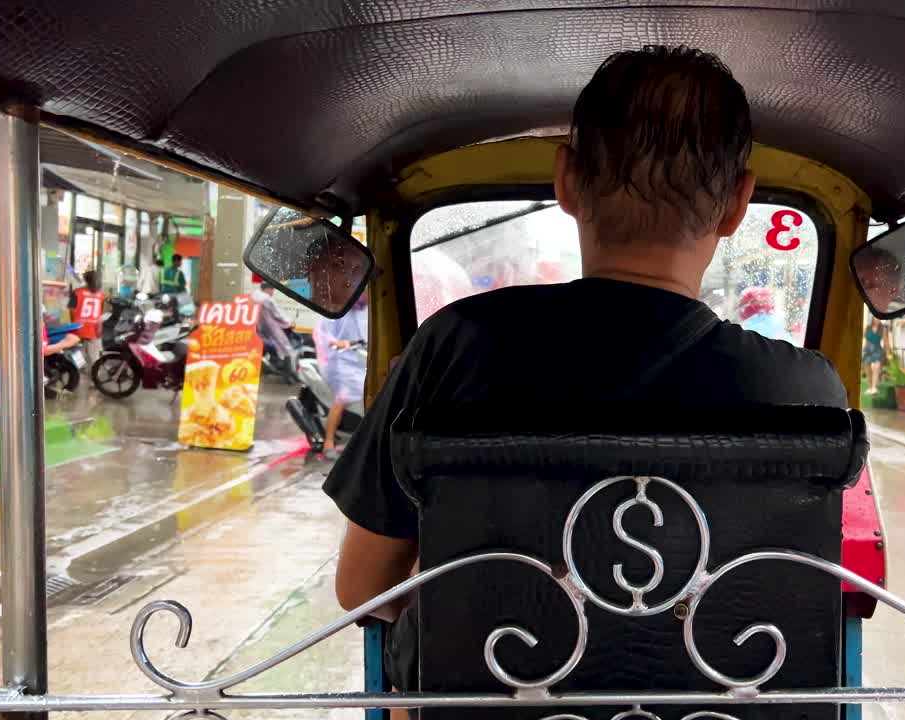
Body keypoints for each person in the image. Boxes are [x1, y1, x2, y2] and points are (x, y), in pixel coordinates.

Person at [321, 46, 849, 691]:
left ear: (566, 180)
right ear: (739, 204)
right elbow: (794, 609)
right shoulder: (806, 389)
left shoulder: (454, 347)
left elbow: (364, 591)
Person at [316, 295, 368, 460]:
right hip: (338, 361)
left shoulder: (366, 310)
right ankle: (328, 443)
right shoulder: (336, 309)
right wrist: (338, 343)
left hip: (358, 358)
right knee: (342, 398)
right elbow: (323, 334)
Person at [252, 282, 296, 376]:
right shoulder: (267, 299)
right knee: (285, 348)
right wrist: (289, 322)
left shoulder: (254, 296)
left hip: (256, 329)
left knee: (262, 349)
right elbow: (278, 315)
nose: (273, 292)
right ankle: (287, 372)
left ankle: (263, 368)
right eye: (273, 289)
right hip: (269, 328)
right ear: (268, 289)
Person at [68, 270, 105, 366]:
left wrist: (72, 325)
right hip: (93, 330)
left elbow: (71, 311)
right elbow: (99, 315)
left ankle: (79, 371)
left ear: (86, 280)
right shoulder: (101, 295)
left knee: (76, 355)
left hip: (77, 329)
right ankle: (94, 376)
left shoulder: (77, 292)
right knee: (94, 359)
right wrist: (99, 331)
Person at [863, 316, 889, 394]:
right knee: (868, 369)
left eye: (878, 318)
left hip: (877, 350)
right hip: (868, 351)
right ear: (873, 319)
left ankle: (874, 387)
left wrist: (887, 352)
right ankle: (870, 387)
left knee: (876, 367)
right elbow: (862, 336)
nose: (877, 319)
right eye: (875, 318)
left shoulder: (882, 329)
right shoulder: (867, 328)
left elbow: (885, 341)